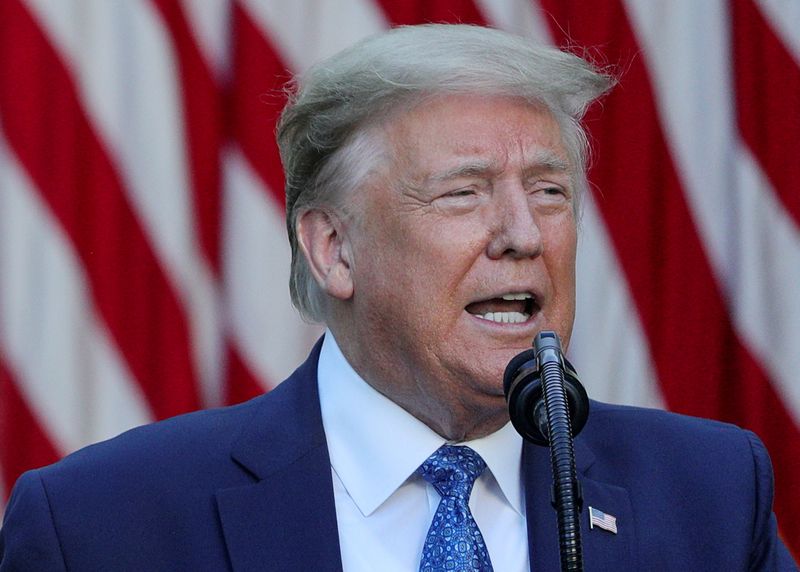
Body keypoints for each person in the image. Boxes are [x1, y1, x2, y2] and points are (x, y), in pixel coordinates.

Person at [0, 24, 796, 571]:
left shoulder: (710, 496)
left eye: (550, 191)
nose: (523, 233)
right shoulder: (104, 524)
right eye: (463, 194)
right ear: (334, 248)